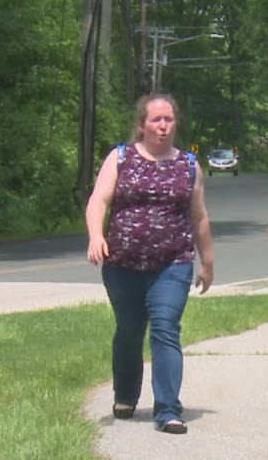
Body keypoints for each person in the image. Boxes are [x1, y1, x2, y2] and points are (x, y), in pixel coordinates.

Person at [85, 93, 215, 435]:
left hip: (173, 263)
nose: (162, 126)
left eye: (168, 120)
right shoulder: (121, 157)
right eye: (156, 120)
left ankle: (169, 409)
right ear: (142, 125)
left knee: (165, 329)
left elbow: (199, 217)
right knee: (129, 331)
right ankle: (125, 395)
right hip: (122, 264)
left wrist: (208, 262)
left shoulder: (188, 164)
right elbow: (99, 200)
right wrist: (96, 236)